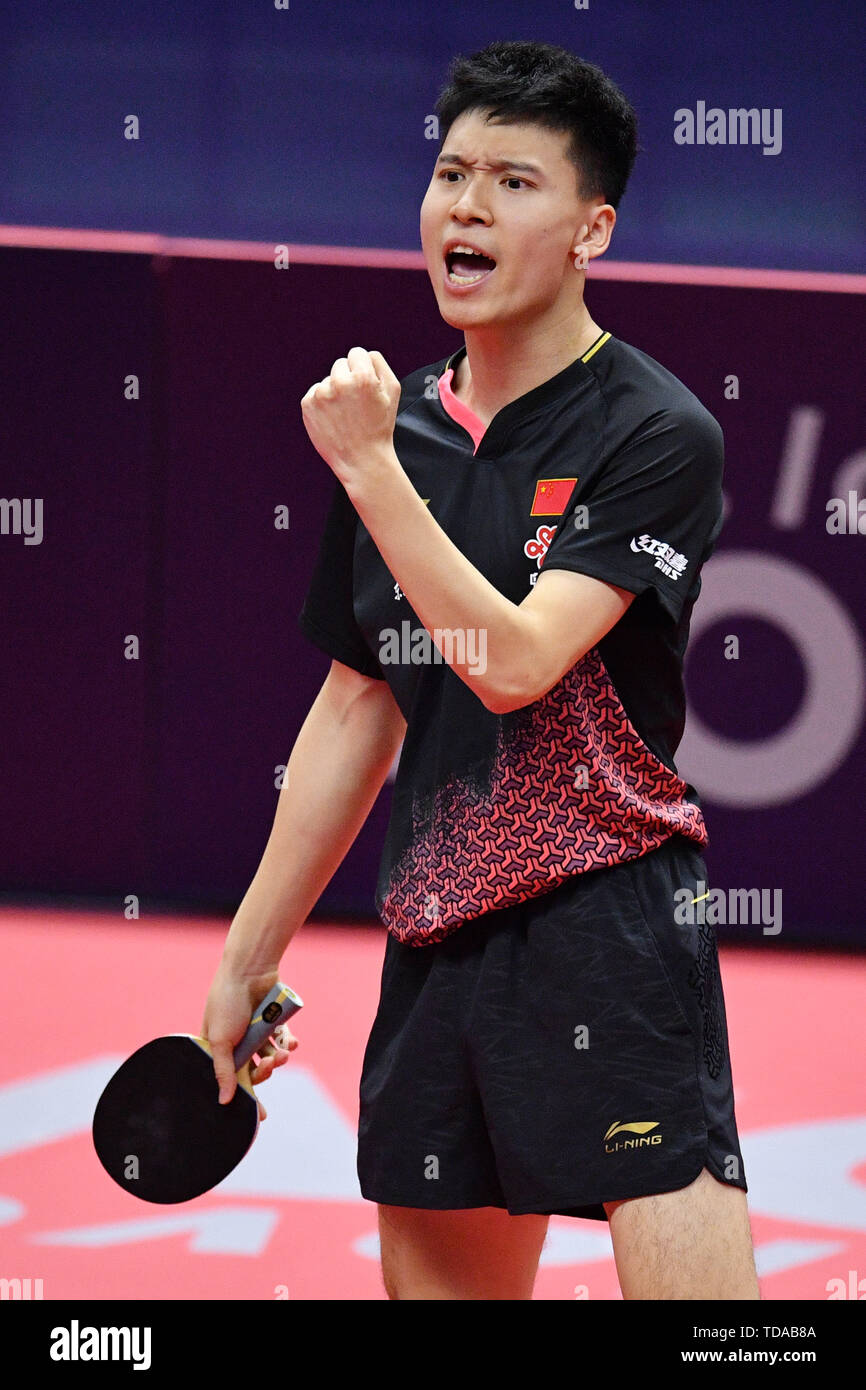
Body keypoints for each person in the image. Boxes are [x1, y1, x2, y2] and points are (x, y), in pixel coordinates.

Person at [201, 39, 760, 1301]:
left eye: (513, 182)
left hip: (607, 917)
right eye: (451, 172)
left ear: (590, 229)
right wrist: (244, 960)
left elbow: (513, 663)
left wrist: (371, 476)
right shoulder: (389, 429)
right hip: (437, 922)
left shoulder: (654, 430)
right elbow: (357, 703)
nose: (465, 205)